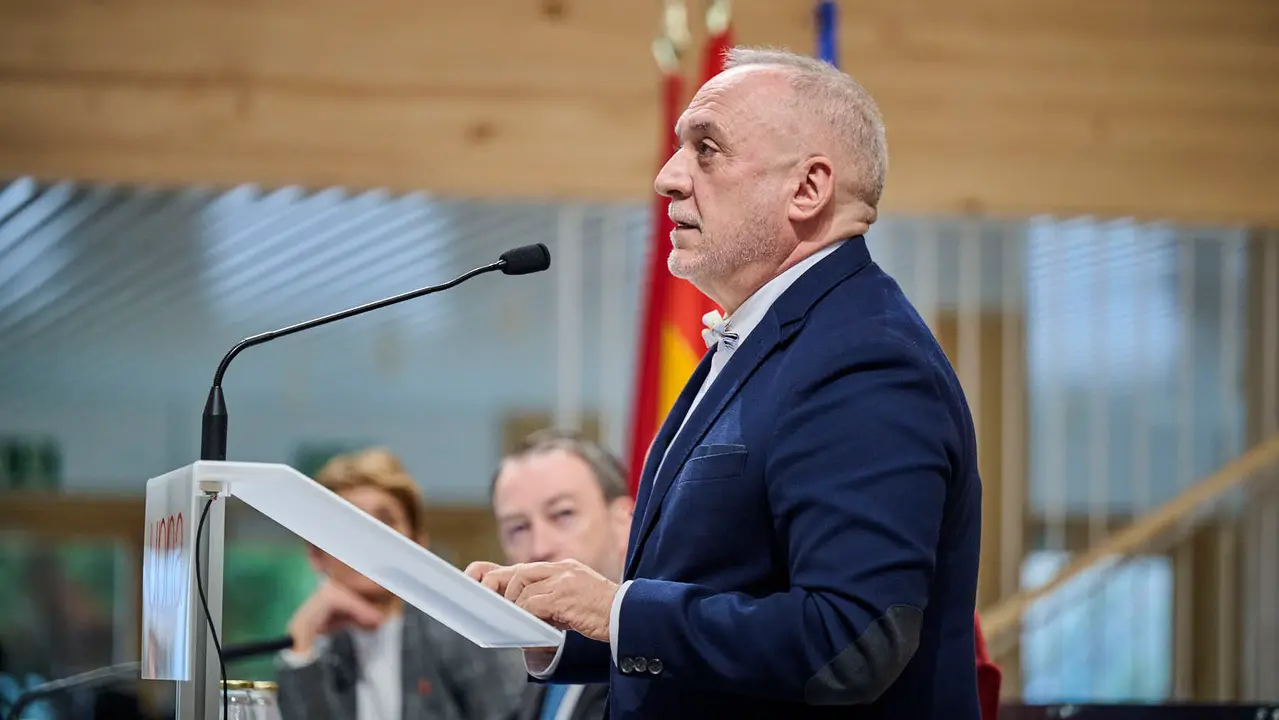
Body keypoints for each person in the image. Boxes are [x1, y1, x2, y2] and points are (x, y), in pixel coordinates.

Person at [467, 46, 984, 719]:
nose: (667, 178)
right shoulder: (769, 338)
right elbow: (720, 586)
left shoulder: (862, 359)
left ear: (807, 188)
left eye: (705, 149)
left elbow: (848, 642)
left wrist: (616, 608)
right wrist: (561, 630)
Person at [276, 447, 527, 720]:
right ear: (317, 553)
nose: (369, 536)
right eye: (349, 520)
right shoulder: (317, 650)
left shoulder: (460, 632)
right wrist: (301, 647)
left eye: (385, 520)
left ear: (418, 543)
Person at [489, 429, 633, 720]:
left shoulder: (655, 656)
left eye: (563, 514)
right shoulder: (528, 658)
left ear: (623, 521)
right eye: (518, 528)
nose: (539, 548)